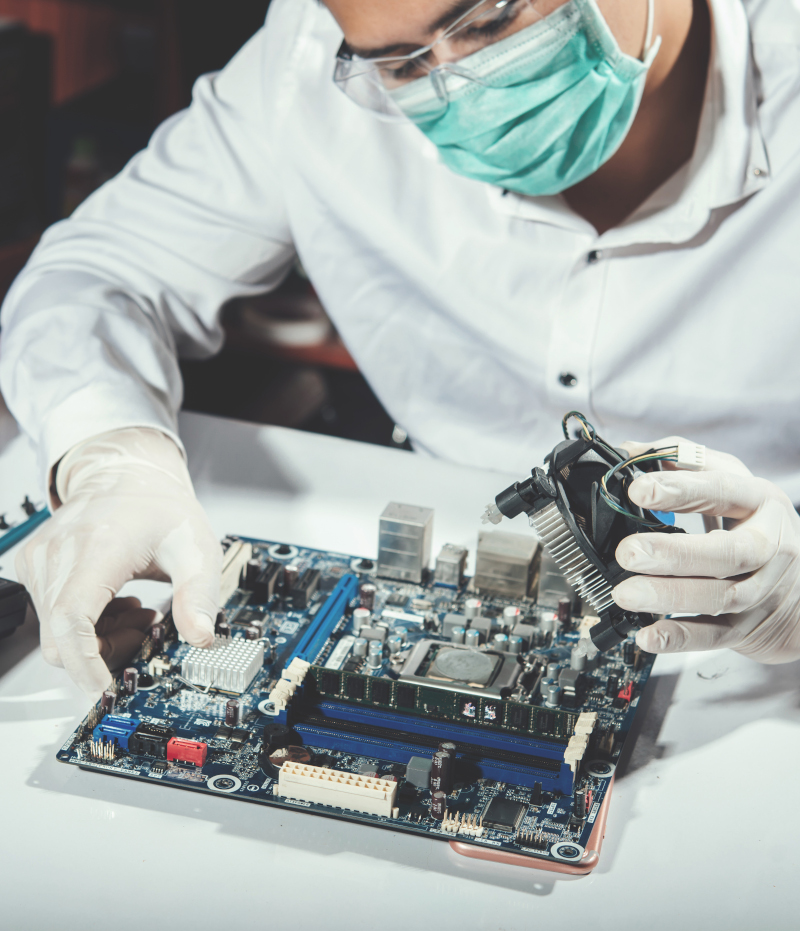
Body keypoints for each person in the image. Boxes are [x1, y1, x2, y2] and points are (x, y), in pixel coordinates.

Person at [1, 0, 799, 699]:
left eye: (491, 17)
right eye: (400, 63)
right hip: (436, 562)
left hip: (759, 668)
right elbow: (95, 271)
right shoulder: (308, 65)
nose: (459, 86)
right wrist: (112, 459)